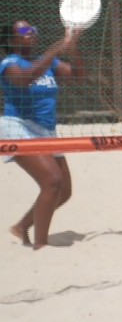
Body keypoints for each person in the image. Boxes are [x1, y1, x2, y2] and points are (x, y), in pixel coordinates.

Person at [2, 20, 86, 249]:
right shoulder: (9, 64)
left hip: (45, 130)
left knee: (64, 191)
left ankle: (21, 227)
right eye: (23, 30)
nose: (30, 32)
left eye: (33, 29)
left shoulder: (49, 63)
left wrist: (72, 47)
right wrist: (56, 49)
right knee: (52, 181)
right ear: (11, 39)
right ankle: (41, 245)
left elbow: (78, 76)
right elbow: (25, 79)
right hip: (18, 126)